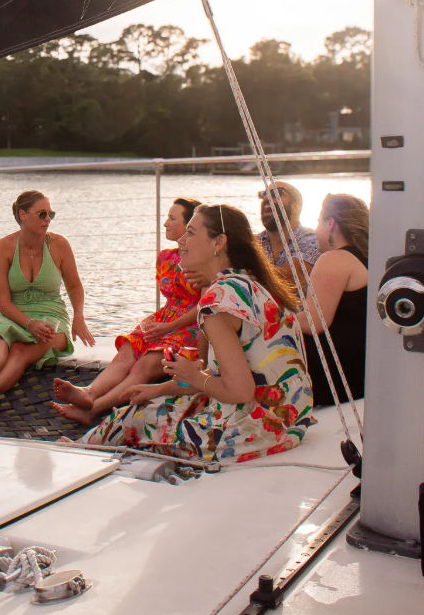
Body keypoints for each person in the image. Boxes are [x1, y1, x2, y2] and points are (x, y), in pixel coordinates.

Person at [74, 205, 315, 463]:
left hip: (254, 429)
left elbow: (241, 390)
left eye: (190, 232)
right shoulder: (251, 283)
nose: (181, 241)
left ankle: (73, 454)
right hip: (287, 418)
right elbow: (228, 374)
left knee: (134, 418)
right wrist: (160, 389)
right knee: (153, 405)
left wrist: (191, 377)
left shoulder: (220, 299)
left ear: (219, 242)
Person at [50, 197, 201, 427]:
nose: (165, 224)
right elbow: (172, 297)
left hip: (190, 325)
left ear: (190, 224)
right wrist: (161, 325)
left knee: (143, 366)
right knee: (126, 353)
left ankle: (93, 410)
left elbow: (204, 304)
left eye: (172, 218)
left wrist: (169, 327)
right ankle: (89, 393)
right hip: (166, 317)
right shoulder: (165, 258)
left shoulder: (204, 260)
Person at [0, 190, 94, 412]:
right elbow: (2, 300)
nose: (48, 219)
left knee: (20, 350)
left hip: (52, 316)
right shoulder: (2, 248)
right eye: (42, 214)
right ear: (23, 215)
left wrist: (79, 316)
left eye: (51, 214)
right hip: (13, 313)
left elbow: (75, 286)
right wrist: (28, 323)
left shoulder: (59, 245)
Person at [296, 193, 369, 406]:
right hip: (358, 372)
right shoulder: (364, 258)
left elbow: (314, 322)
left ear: (331, 224)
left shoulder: (334, 259)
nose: (316, 228)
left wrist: (277, 318)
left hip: (335, 380)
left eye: (319, 221)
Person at [256, 181, 319, 286]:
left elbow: (289, 278)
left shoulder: (311, 239)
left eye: (277, 193)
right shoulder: (255, 242)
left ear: (296, 206)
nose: (267, 198)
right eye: (264, 194)